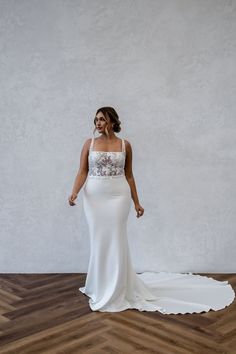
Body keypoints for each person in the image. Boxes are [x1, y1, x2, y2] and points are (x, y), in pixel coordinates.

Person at [68, 106, 235, 314]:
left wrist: (137, 202)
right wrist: (74, 192)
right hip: (94, 197)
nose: (98, 123)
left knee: (117, 238)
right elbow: (82, 171)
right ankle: (98, 285)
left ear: (111, 121)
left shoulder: (124, 145)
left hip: (119, 196)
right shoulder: (89, 144)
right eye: (96, 120)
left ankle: (118, 288)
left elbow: (129, 175)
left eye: (102, 119)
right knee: (98, 239)